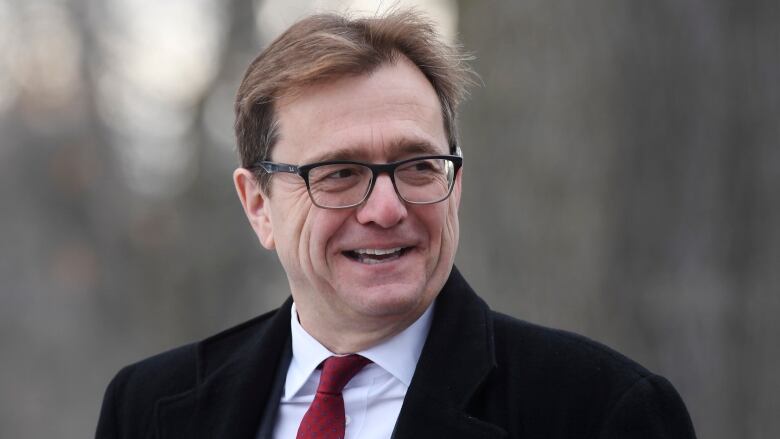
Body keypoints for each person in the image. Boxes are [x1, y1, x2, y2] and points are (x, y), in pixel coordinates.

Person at [96, 9, 696, 439]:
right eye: (338, 174)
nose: (386, 209)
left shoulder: (602, 411)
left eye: (418, 166)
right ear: (258, 204)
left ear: (455, 185)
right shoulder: (147, 408)